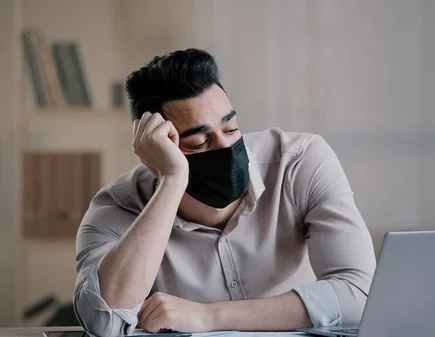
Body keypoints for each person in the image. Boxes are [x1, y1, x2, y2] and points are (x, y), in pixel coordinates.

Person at [73, 48, 376, 337]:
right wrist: (171, 180)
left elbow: (360, 292)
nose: (226, 148)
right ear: (157, 152)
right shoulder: (116, 208)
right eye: (200, 142)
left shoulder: (299, 163)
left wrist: (210, 316)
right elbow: (103, 321)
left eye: (231, 129)